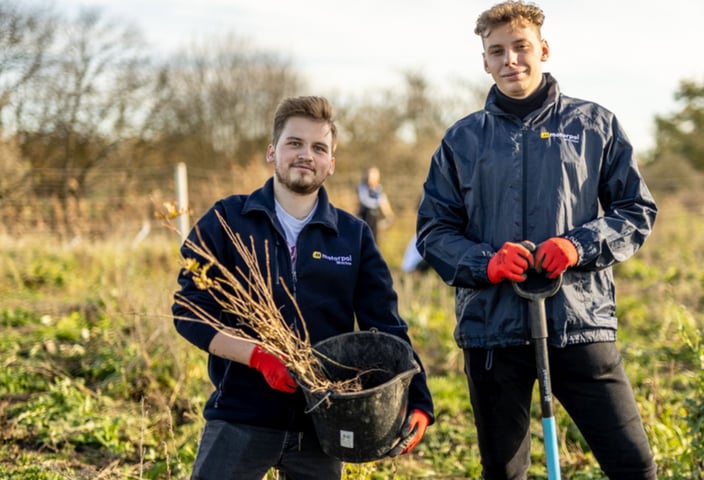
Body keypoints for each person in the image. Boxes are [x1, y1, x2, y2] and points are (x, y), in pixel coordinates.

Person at [415, 2, 658, 479]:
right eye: (497, 51)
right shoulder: (460, 141)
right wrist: (486, 263)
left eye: (521, 47)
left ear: (543, 49)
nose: (511, 61)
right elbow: (434, 231)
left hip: (580, 322)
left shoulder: (594, 125)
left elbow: (636, 210)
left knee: (634, 464)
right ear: (484, 62)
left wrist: (578, 246)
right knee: (504, 473)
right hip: (491, 330)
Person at [173, 96, 434, 480]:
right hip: (241, 413)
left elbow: (387, 326)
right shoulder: (228, 220)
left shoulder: (353, 236)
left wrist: (419, 398)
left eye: (319, 148)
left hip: (325, 421)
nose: (305, 155)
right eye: (294, 143)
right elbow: (188, 309)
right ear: (272, 151)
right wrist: (258, 356)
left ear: (331, 164)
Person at [356, 166, 394, 241]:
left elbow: (384, 204)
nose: (372, 178)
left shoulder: (379, 191)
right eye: (370, 175)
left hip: (375, 225)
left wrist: (389, 216)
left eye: (374, 175)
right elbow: (362, 202)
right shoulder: (362, 188)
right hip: (364, 222)